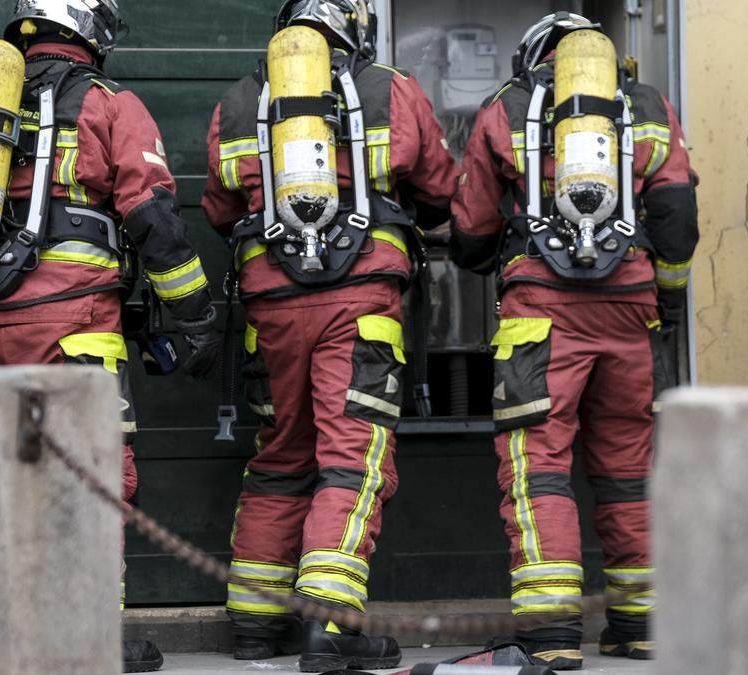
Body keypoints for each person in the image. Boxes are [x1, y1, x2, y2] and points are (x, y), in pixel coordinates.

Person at [0, 2, 222, 672]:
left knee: (0, 480)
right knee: (93, 476)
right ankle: (89, 631)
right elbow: (152, 219)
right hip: (75, 329)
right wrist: (195, 314)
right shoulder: (108, 105)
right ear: (88, 30)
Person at [201, 1, 458, 670]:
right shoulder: (391, 89)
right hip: (361, 303)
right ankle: (331, 627)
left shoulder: (238, 102)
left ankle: (257, 622)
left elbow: (219, 207)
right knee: (352, 454)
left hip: (272, 304)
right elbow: (438, 191)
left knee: (281, 452)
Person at [450, 12, 699, 668]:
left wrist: (494, 251)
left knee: (538, 469)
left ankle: (553, 635)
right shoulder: (647, 106)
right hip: (629, 314)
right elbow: (676, 215)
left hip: (540, 318)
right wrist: (664, 299)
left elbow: (472, 228)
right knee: (628, 468)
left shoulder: (506, 107)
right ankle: (641, 625)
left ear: (535, 60)